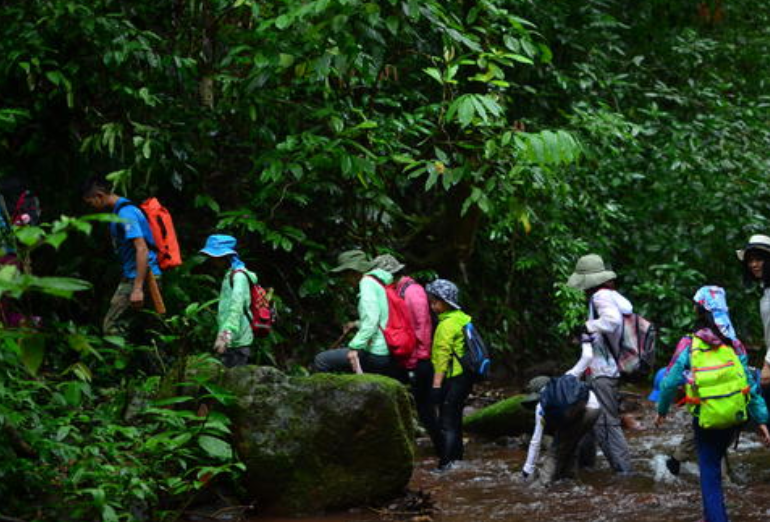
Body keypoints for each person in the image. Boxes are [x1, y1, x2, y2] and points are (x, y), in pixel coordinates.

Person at [655, 286, 770, 522]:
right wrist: (762, 421)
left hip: (705, 420)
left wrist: (662, 411)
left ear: (698, 311)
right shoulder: (734, 344)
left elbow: (668, 383)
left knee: (710, 476)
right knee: (717, 462)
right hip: (733, 418)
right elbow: (750, 385)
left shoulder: (689, 343)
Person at [565, 253, 633, 473]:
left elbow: (611, 322)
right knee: (590, 420)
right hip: (607, 368)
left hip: (602, 370)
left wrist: (588, 326)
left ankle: (624, 473)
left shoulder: (600, 297)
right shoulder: (613, 296)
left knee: (607, 424)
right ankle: (587, 466)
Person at [372, 254, 440, 454]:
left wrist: (416, 360)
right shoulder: (398, 290)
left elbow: (423, 329)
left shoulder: (413, 292)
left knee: (426, 410)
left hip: (419, 360)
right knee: (421, 408)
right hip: (408, 359)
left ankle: (444, 453)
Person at [81, 177, 161, 336]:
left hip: (142, 277)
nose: (92, 207)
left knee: (111, 327)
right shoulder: (122, 209)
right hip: (139, 275)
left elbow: (142, 249)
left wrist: (137, 288)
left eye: (91, 203)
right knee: (143, 331)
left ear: (99, 195)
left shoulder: (126, 213)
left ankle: (118, 359)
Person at [314, 250, 396, 376]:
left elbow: (371, 321)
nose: (344, 279)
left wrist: (354, 347)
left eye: (344, 274)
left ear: (353, 272)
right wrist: (356, 324)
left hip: (376, 352)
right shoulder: (377, 281)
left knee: (321, 360)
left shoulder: (366, 283)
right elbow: (379, 316)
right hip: (384, 348)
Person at [426, 278, 473, 470]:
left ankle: (445, 465)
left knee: (447, 423)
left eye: (435, 301)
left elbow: (441, 358)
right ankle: (457, 461)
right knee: (455, 419)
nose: (432, 305)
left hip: (454, 378)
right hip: (465, 377)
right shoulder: (462, 318)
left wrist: (436, 386)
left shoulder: (446, 325)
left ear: (445, 303)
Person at [521, 374, 600, 486]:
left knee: (555, 451)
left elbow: (536, 441)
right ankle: (569, 478)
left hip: (580, 413)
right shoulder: (564, 386)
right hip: (595, 408)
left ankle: (543, 485)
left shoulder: (542, 404)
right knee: (572, 445)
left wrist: (527, 468)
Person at [200, 234, 258, 368]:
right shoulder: (229, 274)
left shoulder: (239, 276)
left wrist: (225, 335)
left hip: (237, 341)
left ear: (226, 257)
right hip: (231, 340)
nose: (213, 261)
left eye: (216, 257)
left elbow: (237, 306)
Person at [737, 235, 770, 394]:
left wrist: (768, 364)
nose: (754, 265)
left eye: (759, 260)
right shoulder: (766, 291)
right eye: (750, 260)